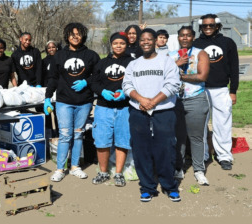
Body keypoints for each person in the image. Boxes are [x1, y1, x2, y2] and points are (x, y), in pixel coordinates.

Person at [122, 28, 181, 202]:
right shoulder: (134, 64)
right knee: (141, 150)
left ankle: (169, 186)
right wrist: (141, 99)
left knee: (166, 149)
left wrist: (153, 101)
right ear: (139, 42)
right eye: (142, 39)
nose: (145, 42)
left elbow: (173, 85)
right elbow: (127, 86)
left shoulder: (167, 62)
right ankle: (147, 187)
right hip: (138, 111)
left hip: (163, 112)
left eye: (149, 39)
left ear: (155, 41)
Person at [44, 22, 100, 182]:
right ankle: (60, 168)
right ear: (67, 36)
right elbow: (52, 78)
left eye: (78, 34)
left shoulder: (92, 55)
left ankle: (75, 166)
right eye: (72, 34)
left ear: (83, 36)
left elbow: (97, 76)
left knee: (78, 134)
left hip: (84, 101)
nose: (75, 37)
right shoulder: (59, 56)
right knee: (65, 135)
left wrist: (87, 82)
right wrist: (47, 97)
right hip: (64, 101)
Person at [193, 14, 239, 171]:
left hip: (221, 89)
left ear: (217, 26)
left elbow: (234, 68)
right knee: (201, 125)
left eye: (211, 25)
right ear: (201, 27)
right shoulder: (196, 44)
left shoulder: (228, 43)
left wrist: (233, 91)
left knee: (223, 124)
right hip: (200, 89)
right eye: (205, 26)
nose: (207, 28)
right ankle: (204, 155)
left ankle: (224, 156)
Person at [90, 32, 133, 187]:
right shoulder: (102, 63)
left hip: (124, 107)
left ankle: (119, 173)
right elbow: (94, 82)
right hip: (104, 107)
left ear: (126, 44)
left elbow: (136, 83)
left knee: (122, 140)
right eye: (115, 43)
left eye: (122, 43)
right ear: (111, 45)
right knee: (102, 141)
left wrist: (126, 93)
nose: (118, 46)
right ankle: (103, 172)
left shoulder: (132, 62)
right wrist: (102, 92)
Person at [169, 26, 211, 186]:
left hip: (195, 99)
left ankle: (199, 170)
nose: (185, 38)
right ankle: (178, 168)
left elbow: (202, 76)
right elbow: (163, 75)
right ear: (178, 38)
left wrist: (180, 75)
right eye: (182, 36)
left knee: (196, 137)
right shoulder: (170, 56)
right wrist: (175, 66)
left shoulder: (200, 53)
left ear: (193, 37)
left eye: (188, 35)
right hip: (175, 100)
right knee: (178, 138)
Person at [41, 40, 60, 138]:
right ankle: (50, 135)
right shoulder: (44, 61)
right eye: (49, 48)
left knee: (58, 114)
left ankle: (58, 133)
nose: (51, 49)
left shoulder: (60, 58)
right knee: (48, 114)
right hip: (48, 90)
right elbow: (42, 76)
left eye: (53, 47)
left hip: (59, 90)